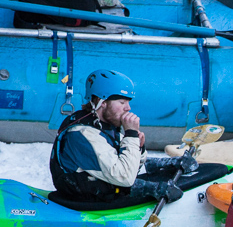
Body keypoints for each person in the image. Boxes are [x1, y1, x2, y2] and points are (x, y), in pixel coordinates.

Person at [49, 69, 196, 203]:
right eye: (122, 102)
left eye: (128, 102)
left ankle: (163, 165)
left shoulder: (103, 124)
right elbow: (125, 177)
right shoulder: (82, 133)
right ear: (102, 102)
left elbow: (130, 166)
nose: (128, 108)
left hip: (105, 184)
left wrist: (139, 147)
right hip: (84, 197)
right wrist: (130, 135)